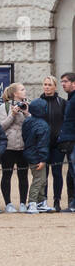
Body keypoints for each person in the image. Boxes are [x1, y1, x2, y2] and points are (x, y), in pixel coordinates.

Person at [0, 82, 30, 212]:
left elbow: (33, 124)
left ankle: (23, 203)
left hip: (23, 145)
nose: (25, 91)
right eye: (22, 89)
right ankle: (8, 203)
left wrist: (26, 113)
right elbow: (1, 127)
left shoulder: (27, 105)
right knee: (7, 175)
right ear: (15, 93)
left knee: (23, 176)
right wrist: (13, 114)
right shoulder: (4, 107)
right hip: (8, 146)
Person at [37, 75, 67, 210]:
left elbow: (66, 122)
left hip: (58, 144)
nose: (47, 87)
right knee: (43, 174)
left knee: (57, 172)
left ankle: (57, 201)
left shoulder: (62, 102)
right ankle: (43, 201)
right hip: (42, 144)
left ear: (55, 86)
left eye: (50, 85)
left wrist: (63, 137)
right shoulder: (37, 103)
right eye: (45, 84)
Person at [22, 96, 52, 214]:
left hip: (29, 152)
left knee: (41, 179)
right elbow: (42, 143)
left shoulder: (27, 121)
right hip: (37, 156)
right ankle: (32, 202)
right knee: (39, 179)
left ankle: (41, 201)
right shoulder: (43, 125)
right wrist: (43, 159)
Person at [58, 73, 75, 211]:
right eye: (62, 81)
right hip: (69, 140)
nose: (63, 84)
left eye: (65, 81)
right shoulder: (70, 98)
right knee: (71, 173)